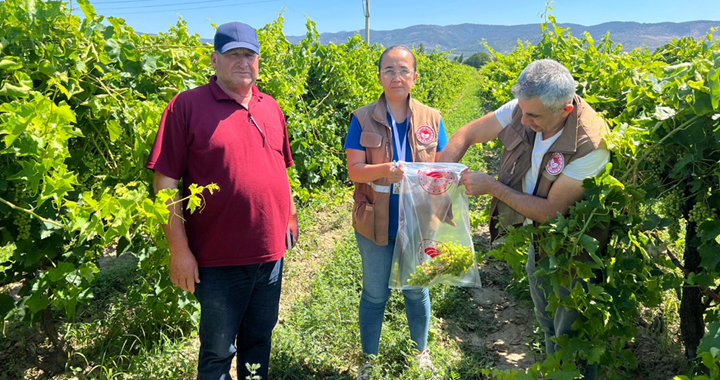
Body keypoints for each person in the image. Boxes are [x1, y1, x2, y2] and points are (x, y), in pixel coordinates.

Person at [145, 21, 298, 380]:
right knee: (217, 350)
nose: (243, 62)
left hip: (270, 252)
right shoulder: (186, 106)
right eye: (233, 55)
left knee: (259, 340)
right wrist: (179, 250)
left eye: (250, 54)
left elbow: (281, 167)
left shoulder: (271, 107)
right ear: (215, 59)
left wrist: (289, 214)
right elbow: (165, 183)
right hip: (217, 258)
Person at [440, 59, 610, 379]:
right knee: (546, 318)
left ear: (565, 110)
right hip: (540, 237)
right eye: (523, 110)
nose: (524, 119)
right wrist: (438, 178)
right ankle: (554, 369)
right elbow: (467, 133)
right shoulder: (527, 106)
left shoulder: (591, 145)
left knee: (572, 332)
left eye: (534, 116)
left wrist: (492, 187)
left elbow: (550, 212)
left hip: (575, 248)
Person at [344, 45, 449, 378]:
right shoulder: (362, 118)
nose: (396, 77)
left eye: (403, 70)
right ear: (379, 77)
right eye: (389, 70)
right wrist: (383, 171)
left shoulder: (433, 119)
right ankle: (369, 360)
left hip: (418, 220)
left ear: (415, 77)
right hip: (375, 220)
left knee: (417, 290)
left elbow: (443, 167)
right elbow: (355, 170)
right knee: (375, 293)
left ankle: (421, 353)